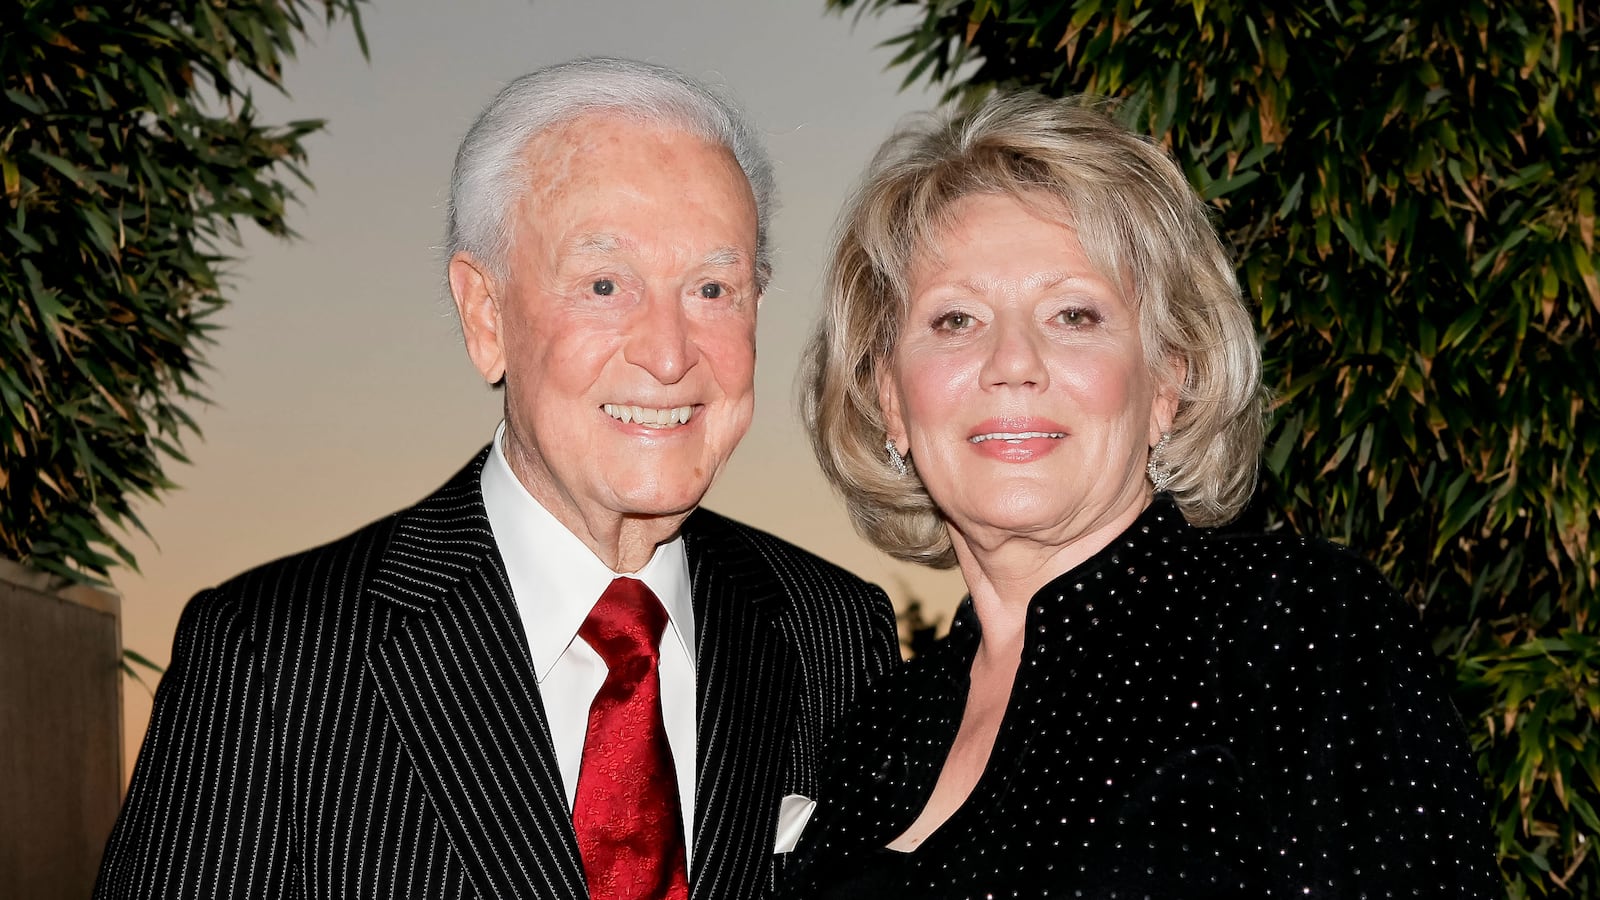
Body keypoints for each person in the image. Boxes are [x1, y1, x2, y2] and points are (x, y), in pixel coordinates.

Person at [95, 57, 899, 900]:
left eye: (712, 288)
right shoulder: (273, 657)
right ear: (485, 315)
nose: (669, 354)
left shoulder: (834, 635)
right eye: (604, 285)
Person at [779, 92, 1497, 898]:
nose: (1012, 363)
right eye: (956, 320)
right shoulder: (874, 730)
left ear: (1166, 381)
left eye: (1073, 314)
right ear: (889, 398)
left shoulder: (1295, 629)